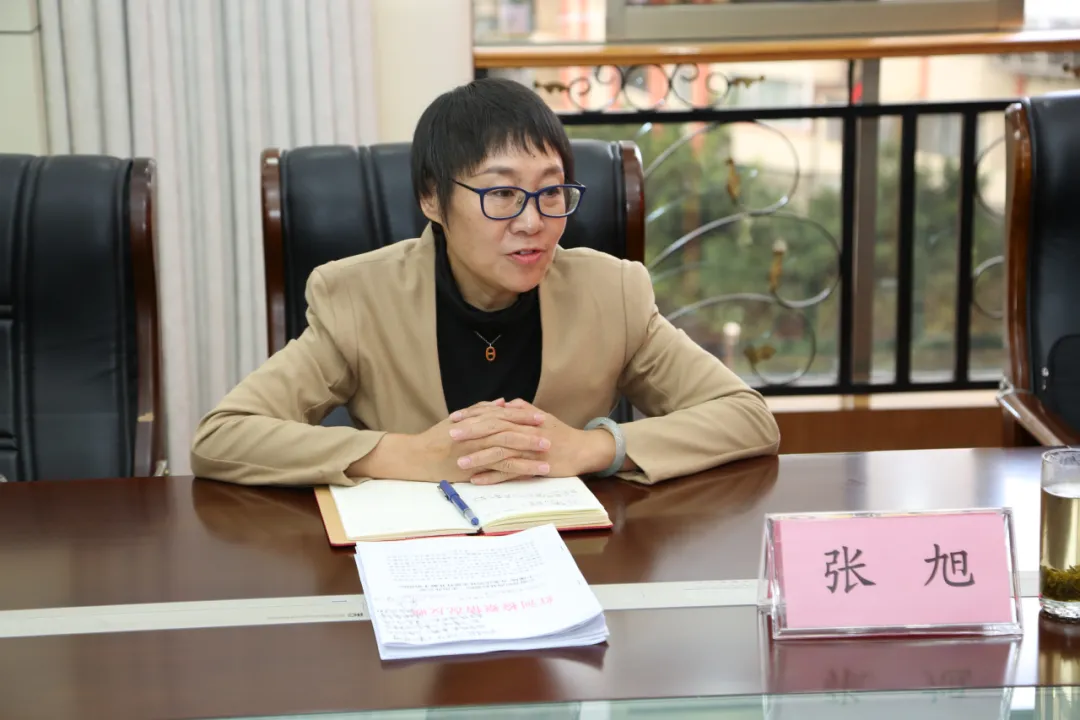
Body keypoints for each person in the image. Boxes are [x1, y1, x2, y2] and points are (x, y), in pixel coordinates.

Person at [190, 77, 780, 488]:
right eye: (501, 193)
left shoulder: (612, 292)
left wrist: (591, 447)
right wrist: (407, 455)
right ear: (432, 199)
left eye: (551, 191)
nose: (533, 221)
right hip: (413, 565)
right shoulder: (358, 297)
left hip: (577, 560)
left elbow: (745, 417)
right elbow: (224, 436)